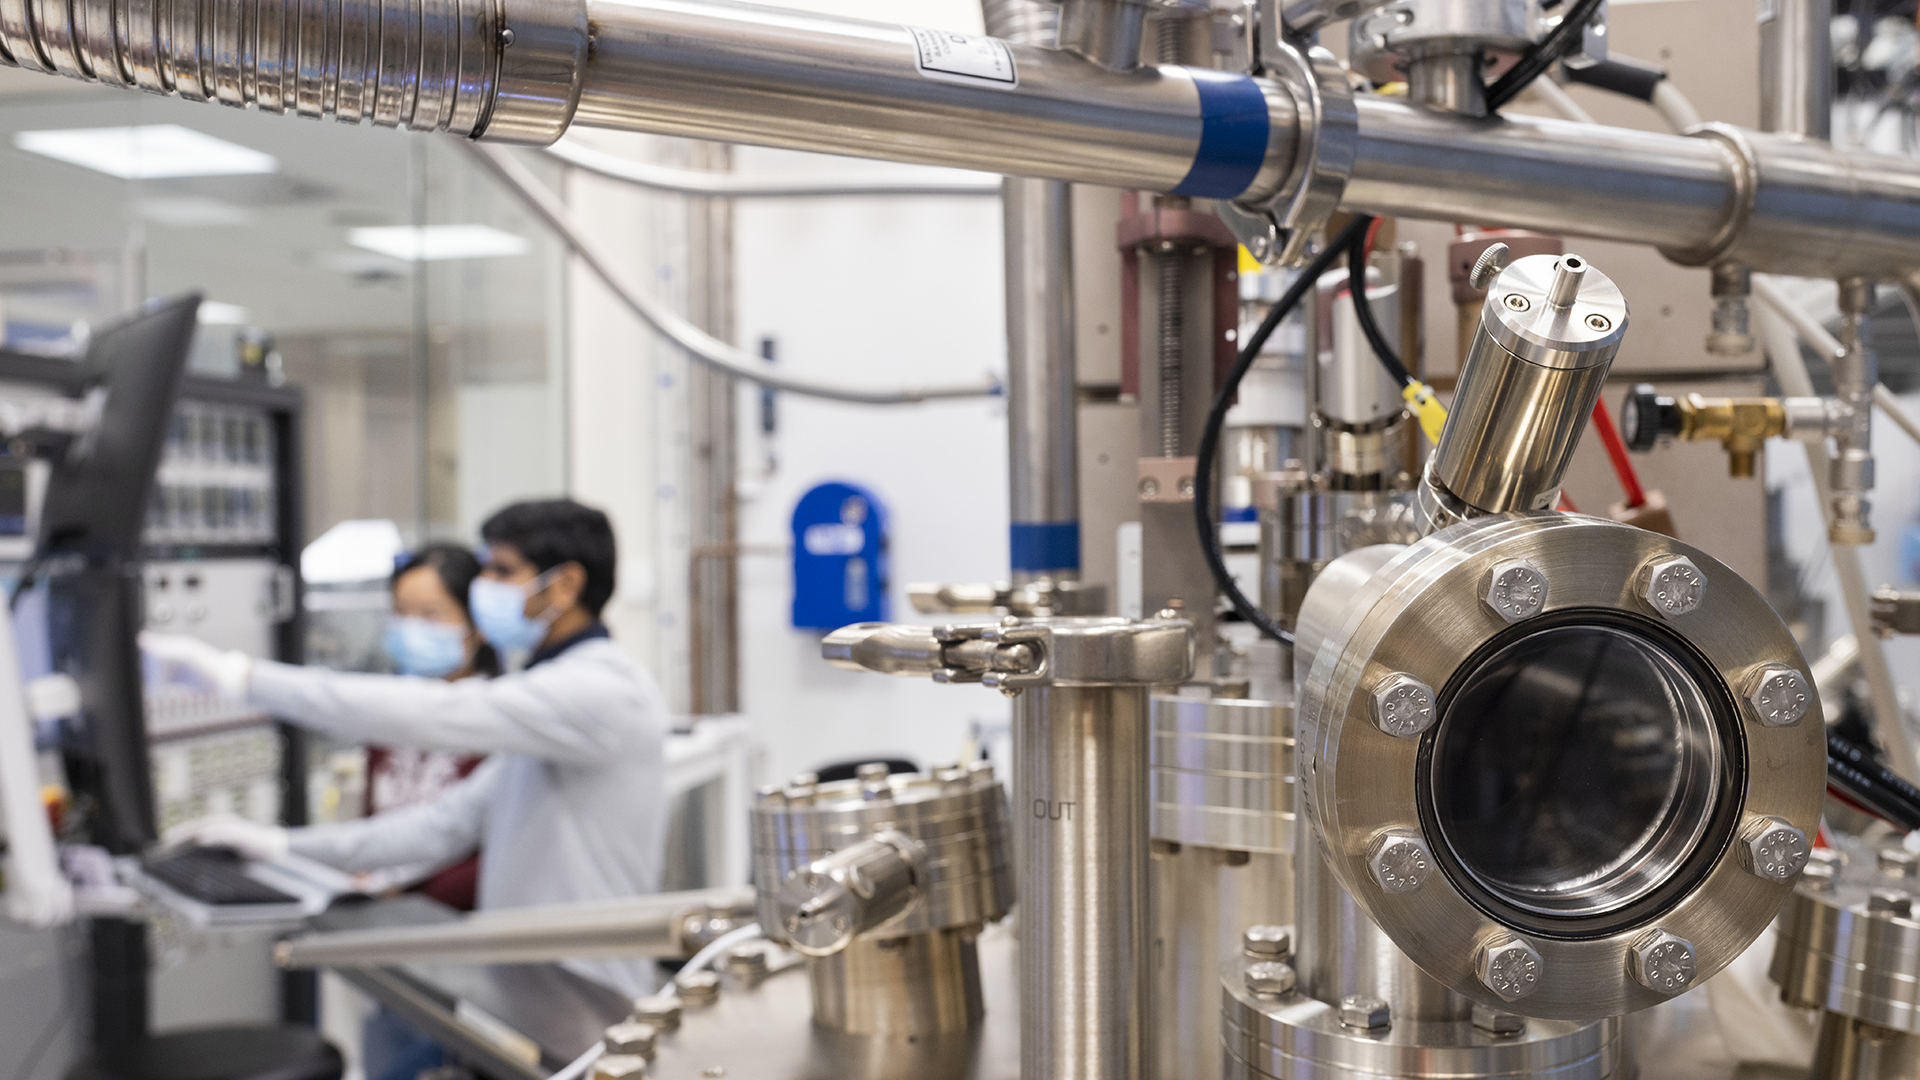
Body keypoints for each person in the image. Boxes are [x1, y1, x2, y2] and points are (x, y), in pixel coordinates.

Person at [147, 499, 668, 999]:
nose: (484, 586)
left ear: (567, 584)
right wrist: (281, 847)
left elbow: (435, 713)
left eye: (502, 571)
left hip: (587, 985)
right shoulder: (548, 698)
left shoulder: (601, 690)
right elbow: (442, 827)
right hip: (528, 977)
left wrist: (241, 677)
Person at [365, 542, 498, 910]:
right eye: (401, 613)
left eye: (430, 614)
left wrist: (408, 894)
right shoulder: (388, 714)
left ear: (477, 625)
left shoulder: (501, 722)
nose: (411, 629)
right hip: (384, 919)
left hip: (461, 927)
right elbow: (373, 823)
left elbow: (503, 856)